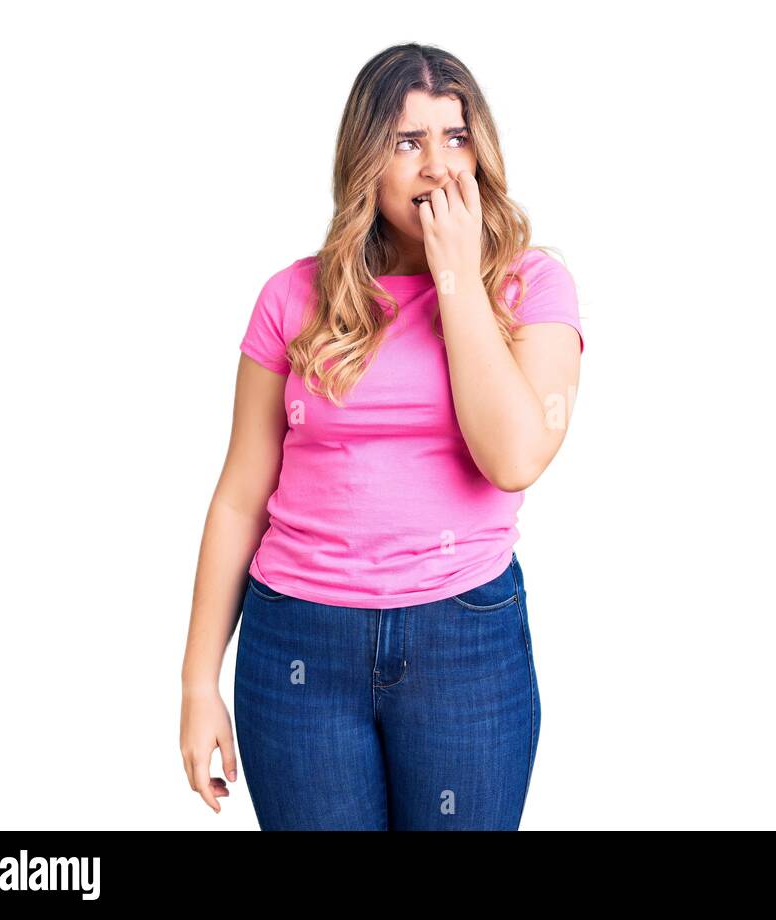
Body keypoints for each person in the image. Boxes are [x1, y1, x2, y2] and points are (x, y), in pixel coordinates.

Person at [179, 43, 584, 830]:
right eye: (408, 142)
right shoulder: (292, 297)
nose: (438, 166)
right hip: (297, 644)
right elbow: (238, 498)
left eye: (455, 137)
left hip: (464, 645)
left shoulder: (532, 287)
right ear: (367, 158)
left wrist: (459, 278)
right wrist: (199, 684)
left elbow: (513, 456)